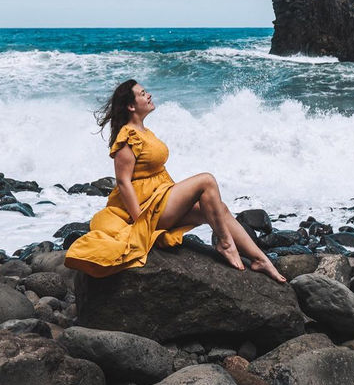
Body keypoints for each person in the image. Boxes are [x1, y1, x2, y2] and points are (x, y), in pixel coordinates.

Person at [65, 79, 285, 282]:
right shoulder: (127, 137)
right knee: (206, 181)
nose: (149, 95)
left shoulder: (145, 132)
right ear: (131, 106)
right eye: (142, 93)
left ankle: (259, 259)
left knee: (219, 208)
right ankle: (225, 244)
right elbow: (123, 182)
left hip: (160, 199)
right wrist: (140, 222)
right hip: (148, 209)